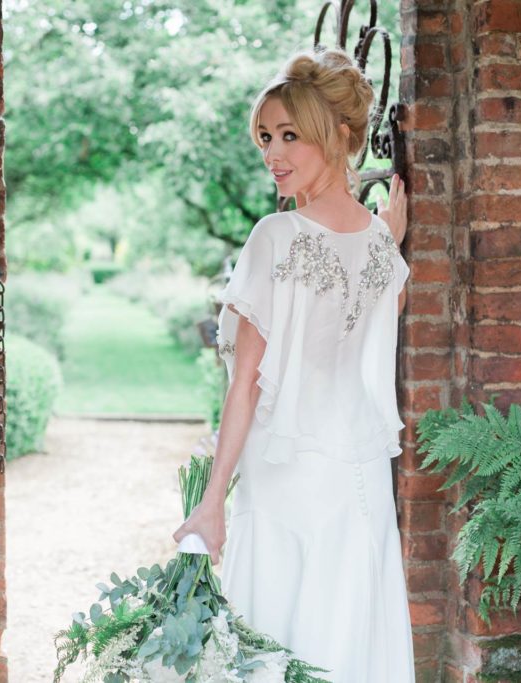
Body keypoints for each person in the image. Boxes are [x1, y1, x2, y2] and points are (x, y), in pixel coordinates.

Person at [172, 46, 414, 682]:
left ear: (336, 136)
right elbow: (376, 327)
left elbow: (248, 383)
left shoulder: (275, 237)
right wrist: (391, 234)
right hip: (359, 482)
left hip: (288, 478)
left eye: (289, 137)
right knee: (351, 636)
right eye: (265, 137)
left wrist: (213, 501)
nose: (272, 155)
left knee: (276, 641)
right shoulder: (382, 241)